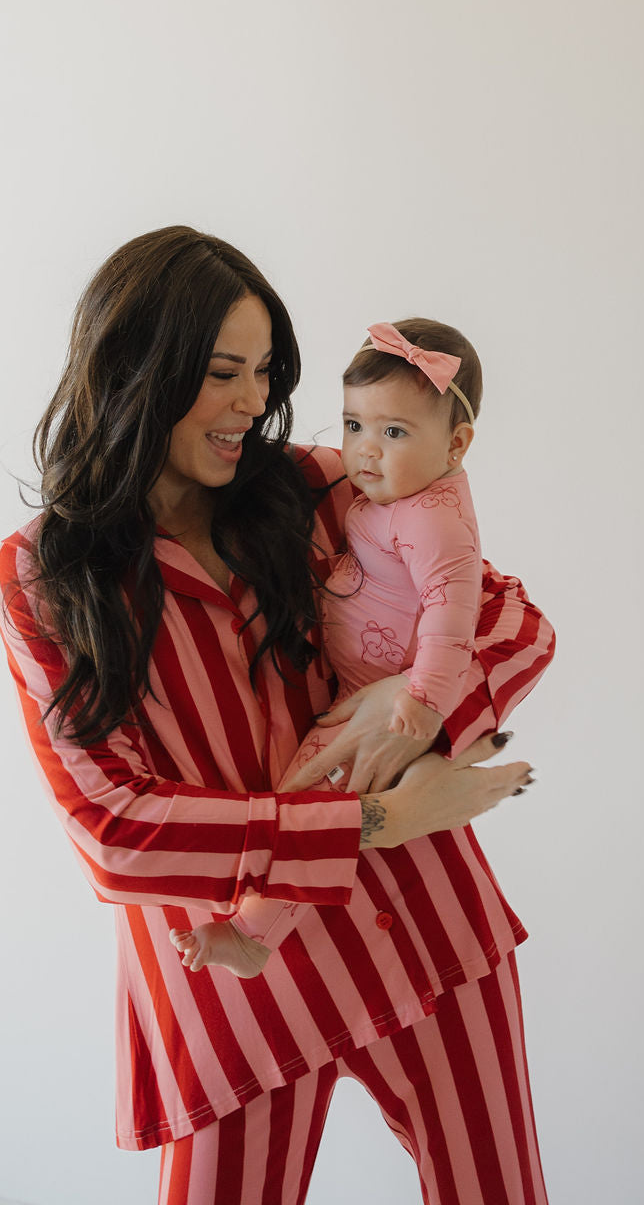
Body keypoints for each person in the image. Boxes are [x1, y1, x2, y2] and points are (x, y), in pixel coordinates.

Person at [0, 226, 555, 1205]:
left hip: (422, 928)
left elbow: (515, 628)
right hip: (238, 981)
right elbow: (115, 831)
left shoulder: (320, 483)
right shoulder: (46, 575)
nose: (254, 401)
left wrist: (406, 711)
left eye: (264, 371)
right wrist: (372, 818)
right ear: (137, 368)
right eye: (222, 372)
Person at [168, 314, 504, 980]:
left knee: (304, 799)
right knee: (308, 801)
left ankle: (257, 932)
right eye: (355, 426)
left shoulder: (435, 522)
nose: (365, 451)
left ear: (457, 445)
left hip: (376, 698)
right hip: (364, 685)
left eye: (394, 432)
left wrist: (424, 704)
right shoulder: (388, 490)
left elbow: (452, 618)